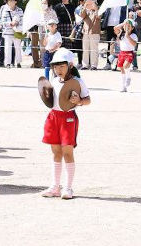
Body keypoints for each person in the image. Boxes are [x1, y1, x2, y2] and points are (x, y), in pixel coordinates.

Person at [41, 48, 90, 199]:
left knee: (67, 152)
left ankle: (68, 187)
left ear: (70, 65)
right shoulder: (54, 81)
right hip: (53, 118)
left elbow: (88, 100)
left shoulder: (78, 82)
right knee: (56, 152)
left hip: (68, 118)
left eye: (61, 66)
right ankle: (56, 186)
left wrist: (80, 101)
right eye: (55, 67)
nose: (58, 70)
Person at [0, 0, 24, 68]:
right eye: (9, 0)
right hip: (7, 32)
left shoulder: (20, 10)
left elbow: (22, 21)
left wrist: (17, 24)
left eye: (12, 0)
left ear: (15, 1)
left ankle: (18, 62)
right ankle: (8, 63)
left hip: (17, 32)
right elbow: (3, 22)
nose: (11, 2)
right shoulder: (5, 10)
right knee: (7, 47)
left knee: (18, 48)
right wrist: (11, 24)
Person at [114, 19, 138, 92]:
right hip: (122, 53)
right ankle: (123, 86)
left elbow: (134, 44)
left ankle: (129, 77)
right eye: (125, 26)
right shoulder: (121, 33)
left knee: (125, 66)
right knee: (121, 69)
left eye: (129, 26)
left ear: (132, 28)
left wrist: (128, 36)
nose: (127, 27)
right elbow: (115, 28)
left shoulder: (133, 35)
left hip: (129, 53)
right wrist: (123, 23)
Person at [101, 5, 127, 70]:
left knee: (120, 45)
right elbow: (105, 15)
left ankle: (119, 63)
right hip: (109, 26)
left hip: (119, 26)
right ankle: (108, 63)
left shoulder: (123, 4)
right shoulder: (110, 3)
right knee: (110, 45)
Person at [81, 0, 101, 70]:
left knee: (94, 49)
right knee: (85, 49)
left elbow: (99, 16)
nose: (89, 2)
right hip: (86, 32)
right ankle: (85, 65)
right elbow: (82, 16)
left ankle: (94, 65)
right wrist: (85, 7)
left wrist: (95, 8)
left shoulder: (98, 9)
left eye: (91, 1)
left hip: (95, 32)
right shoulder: (86, 10)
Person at [38, 0, 59, 67]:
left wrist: (50, 25)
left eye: (45, 3)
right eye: (42, 3)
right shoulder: (39, 12)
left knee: (51, 45)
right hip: (42, 29)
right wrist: (42, 23)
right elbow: (37, 22)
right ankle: (43, 62)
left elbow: (56, 20)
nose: (43, 5)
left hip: (51, 31)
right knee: (42, 46)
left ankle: (52, 61)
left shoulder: (52, 11)